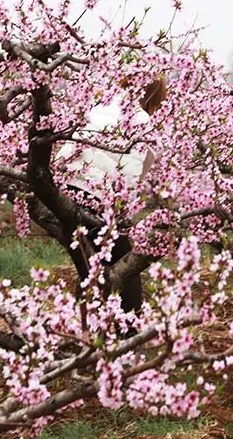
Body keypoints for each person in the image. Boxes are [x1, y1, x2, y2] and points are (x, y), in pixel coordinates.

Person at [59, 77, 167, 314]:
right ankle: (126, 326)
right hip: (98, 196)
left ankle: (87, 324)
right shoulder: (145, 124)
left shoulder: (101, 105)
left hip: (62, 190)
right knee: (124, 263)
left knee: (88, 265)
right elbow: (133, 179)